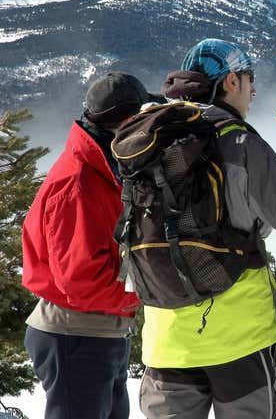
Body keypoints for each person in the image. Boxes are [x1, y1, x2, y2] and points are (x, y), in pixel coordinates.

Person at [139, 38, 276, 419]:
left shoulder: (149, 142)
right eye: (249, 79)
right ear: (231, 81)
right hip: (238, 340)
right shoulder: (239, 142)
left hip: (166, 340)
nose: (254, 90)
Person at [22, 72, 156, 419]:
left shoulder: (103, 169)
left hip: (96, 333)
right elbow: (82, 283)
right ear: (126, 122)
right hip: (75, 336)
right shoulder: (79, 183)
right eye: (143, 117)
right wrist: (147, 294)